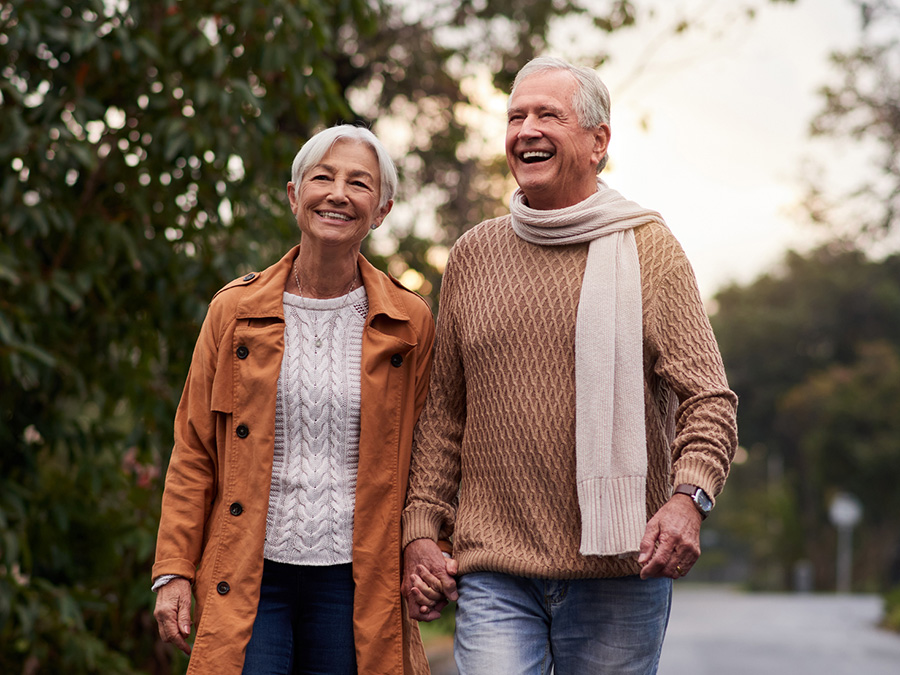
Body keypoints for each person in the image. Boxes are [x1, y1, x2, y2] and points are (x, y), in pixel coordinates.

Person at [400, 56, 738, 674]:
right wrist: (421, 530)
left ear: (597, 141)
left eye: (546, 115)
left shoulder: (649, 250)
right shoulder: (474, 256)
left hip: (620, 572)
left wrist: (689, 498)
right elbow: (444, 414)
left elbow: (707, 399)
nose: (525, 129)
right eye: (515, 116)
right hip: (494, 569)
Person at [152, 124, 437, 675]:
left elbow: (429, 458)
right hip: (250, 571)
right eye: (322, 177)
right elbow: (192, 451)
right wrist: (174, 570)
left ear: (380, 210)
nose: (337, 193)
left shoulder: (409, 323)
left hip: (355, 579)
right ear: (293, 194)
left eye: (359, 183)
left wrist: (428, 545)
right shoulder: (232, 312)